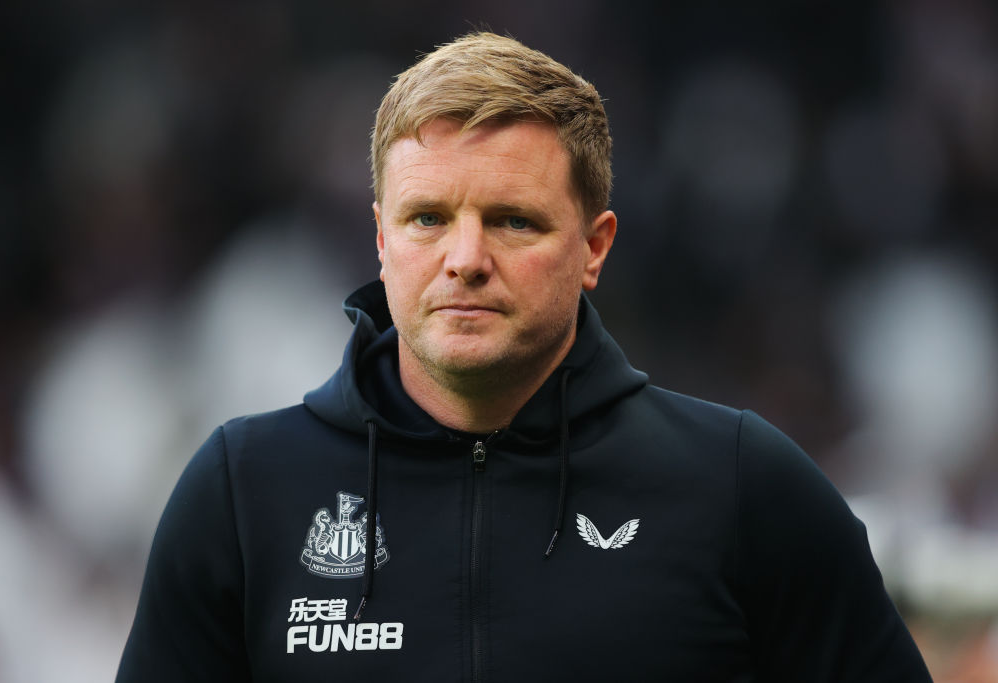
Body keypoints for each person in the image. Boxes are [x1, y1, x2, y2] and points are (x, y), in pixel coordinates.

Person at [116, 32, 932, 681]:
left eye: (513, 220)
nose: (464, 258)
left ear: (594, 246)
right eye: (427, 218)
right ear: (379, 240)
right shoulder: (241, 493)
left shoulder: (745, 485)